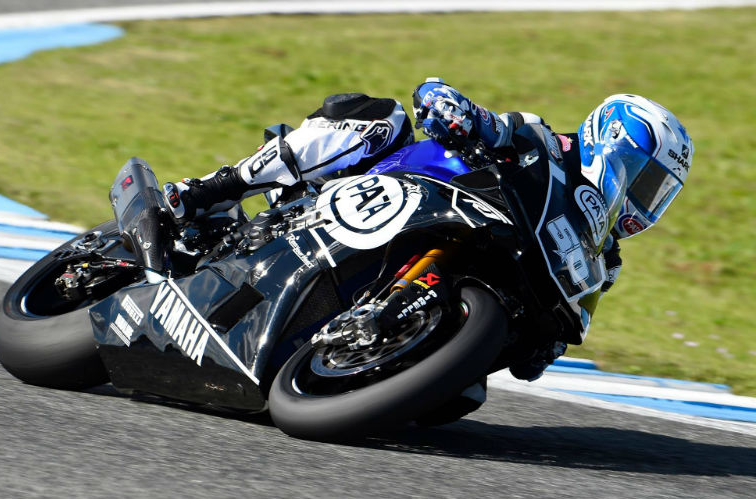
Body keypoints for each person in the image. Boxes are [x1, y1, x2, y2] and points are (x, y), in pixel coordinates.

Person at [163, 78, 694, 384]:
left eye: (658, 195)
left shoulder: (604, 256)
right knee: (381, 120)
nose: (645, 203)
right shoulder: (538, 139)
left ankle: (375, 349)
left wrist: (546, 342)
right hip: (396, 191)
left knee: (460, 401)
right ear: (617, 143)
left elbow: (553, 342)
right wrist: (454, 111)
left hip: (467, 258)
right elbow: (443, 98)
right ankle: (209, 190)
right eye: (647, 183)